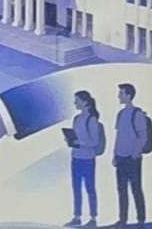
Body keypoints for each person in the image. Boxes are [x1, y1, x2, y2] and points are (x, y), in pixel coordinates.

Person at [110, 82, 152, 226]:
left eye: (121, 93)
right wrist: (115, 154)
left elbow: (143, 136)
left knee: (136, 189)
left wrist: (135, 153)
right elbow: (119, 136)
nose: (119, 96)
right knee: (121, 190)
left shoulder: (137, 114)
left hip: (133, 158)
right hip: (121, 157)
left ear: (129, 95)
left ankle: (141, 219)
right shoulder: (120, 114)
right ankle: (123, 219)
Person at [66, 89, 105, 228]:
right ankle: (77, 217)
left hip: (88, 158)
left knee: (90, 188)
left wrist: (80, 142)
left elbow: (94, 141)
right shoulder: (76, 119)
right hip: (76, 157)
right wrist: (71, 140)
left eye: (77, 100)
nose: (75, 103)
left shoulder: (92, 119)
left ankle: (93, 218)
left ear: (85, 102)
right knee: (76, 188)